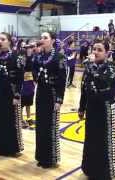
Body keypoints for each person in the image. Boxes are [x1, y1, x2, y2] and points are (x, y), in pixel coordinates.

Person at [78, 39, 115, 179]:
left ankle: (105, 173)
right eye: (94, 49)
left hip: (106, 108)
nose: (95, 52)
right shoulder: (89, 68)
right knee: (91, 139)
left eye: (99, 50)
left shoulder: (112, 67)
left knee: (105, 140)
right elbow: (84, 88)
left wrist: (90, 66)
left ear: (107, 53)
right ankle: (91, 170)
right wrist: (81, 107)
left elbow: (102, 82)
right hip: (92, 107)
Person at [0, 32, 24, 157]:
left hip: (11, 93)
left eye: (2, 39)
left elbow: (20, 77)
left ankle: (11, 148)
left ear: (9, 41)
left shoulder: (17, 57)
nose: (0, 42)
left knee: (10, 120)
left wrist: (17, 95)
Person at [33, 31, 66, 168]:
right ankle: (41, 157)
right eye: (41, 37)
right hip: (41, 92)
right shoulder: (39, 56)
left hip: (52, 94)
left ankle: (50, 158)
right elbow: (32, 70)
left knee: (50, 126)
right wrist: (32, 55)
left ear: (52, 40)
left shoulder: (59, 57)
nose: (42, 39)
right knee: (40, 125)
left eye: (45, 37)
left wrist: (59, 99)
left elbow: (62, 80)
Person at [21, 41, 37, 128]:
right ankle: (20, 119)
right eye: (27, 48)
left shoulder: (34, 57)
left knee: (29, 101)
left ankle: (28, 118)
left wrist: (35, 80)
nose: (29, 49)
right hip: (23, 81)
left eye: (31, 47)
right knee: (22, 101)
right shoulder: (23, 57)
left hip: (31, 82)